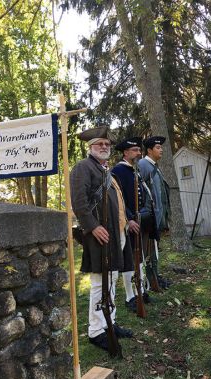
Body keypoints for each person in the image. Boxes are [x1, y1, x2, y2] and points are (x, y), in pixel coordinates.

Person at [70, 126, 133, 352]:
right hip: (100, 233)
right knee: (100, 283)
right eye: (100, 144)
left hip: (116, 234)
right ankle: (96, 332)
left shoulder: (105, 170)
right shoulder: (83, 167)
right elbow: (78, 202)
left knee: (112, 278)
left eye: (107, 144)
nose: (105, 147)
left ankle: (109, 323)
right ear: (90, 147)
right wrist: (92, 226)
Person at [112, 137, 156, 311]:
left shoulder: (133, 170)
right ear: (126, 153)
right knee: (129, 260)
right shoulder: (118, 171)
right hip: (126, 222)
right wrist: (129, 220)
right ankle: (130, 296)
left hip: (138, 221)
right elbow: (118, 200)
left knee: (139, 258)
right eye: (135, 150)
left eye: (139, 150)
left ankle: (140, 290)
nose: (139, 153)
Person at [138, 136, 171, 289]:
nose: (161, 149)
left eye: (161, 147)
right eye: (158, 147)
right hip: (149, 218)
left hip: (157, 217)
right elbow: (140, 192)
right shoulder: (143, 164)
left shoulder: (154, 165)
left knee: (155, 249)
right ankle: (150, 281)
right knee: (149, 251)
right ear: (149, 150)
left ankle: (155, 278)